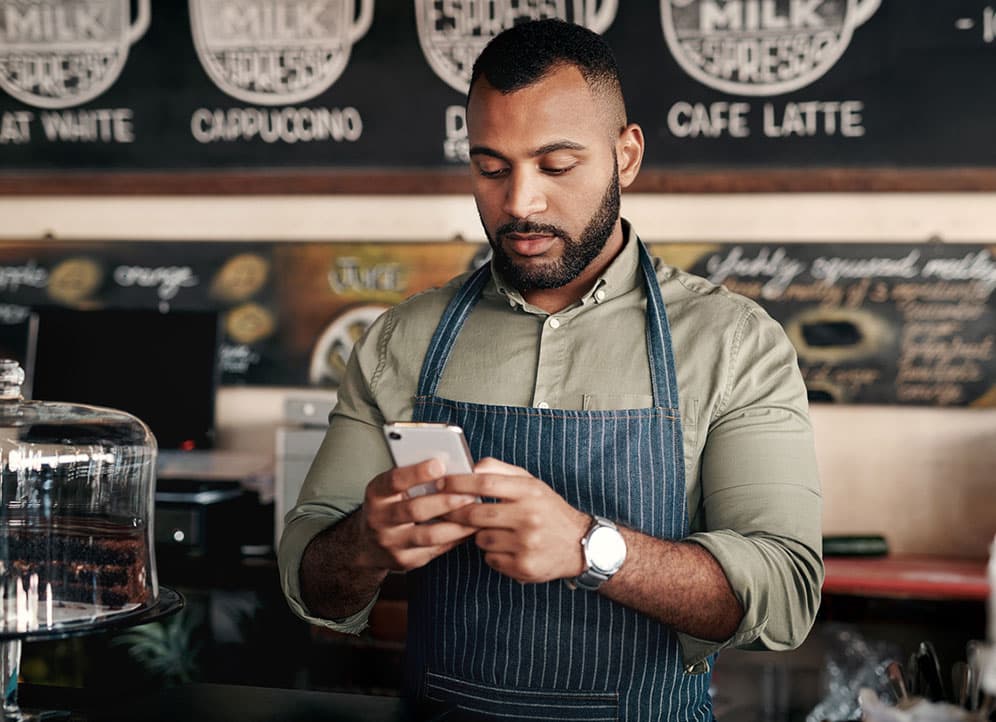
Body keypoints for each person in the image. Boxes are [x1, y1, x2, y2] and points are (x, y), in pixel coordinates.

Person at [278, 18, 822, 721]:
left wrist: (593, 548)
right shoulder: (399, 341)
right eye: (491, 167)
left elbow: (785, 595)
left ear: (625, 156)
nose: (519, 203)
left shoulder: (734, 344)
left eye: (557, 166)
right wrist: (364, 543)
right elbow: (310, 584)